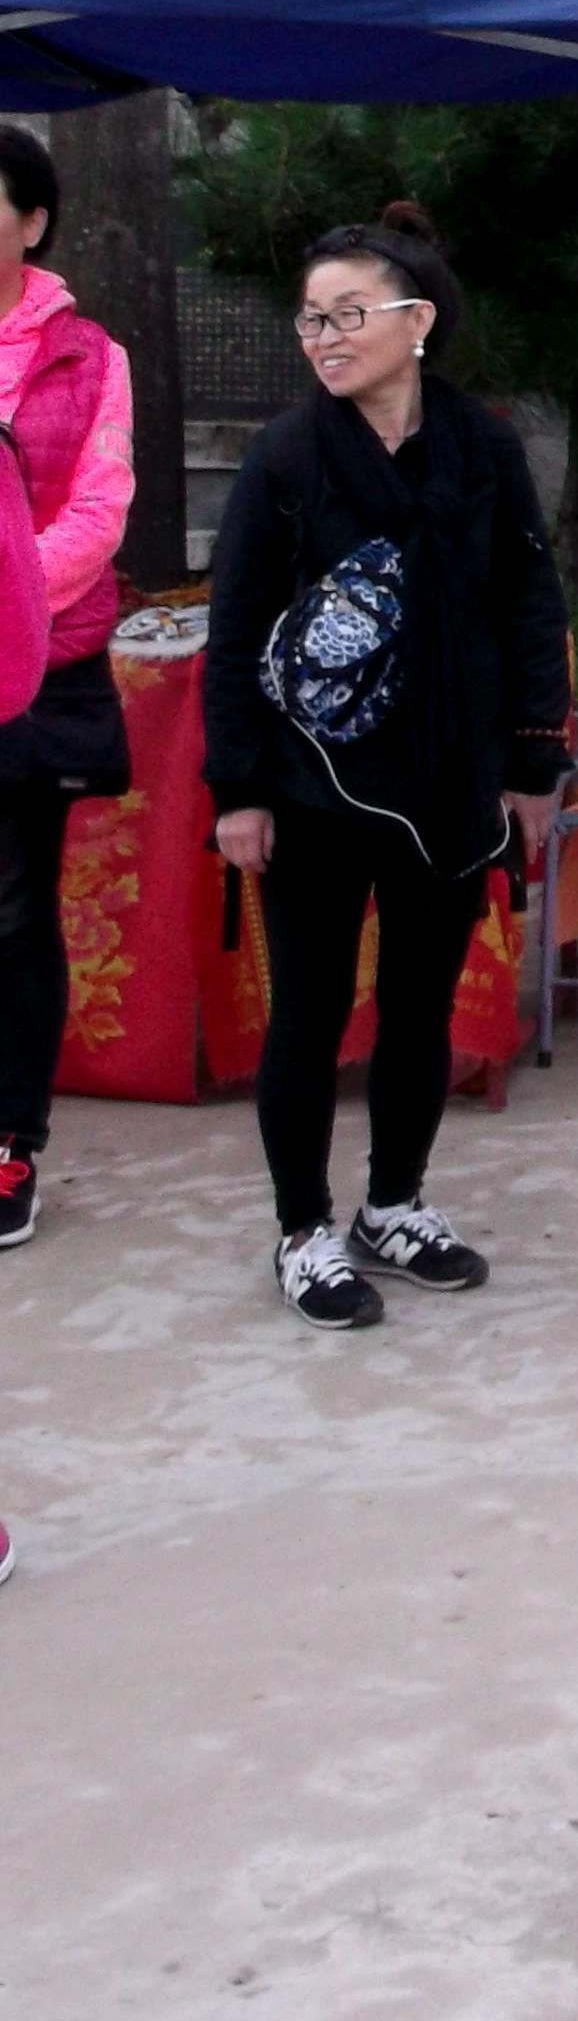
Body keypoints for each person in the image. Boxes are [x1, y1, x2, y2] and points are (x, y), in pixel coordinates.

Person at [204, 206, 569, 1328]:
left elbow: (525, 600)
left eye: (348, 314)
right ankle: (302, 1229)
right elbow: (236, 628)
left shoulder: (482, 444)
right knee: (309, 1013)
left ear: (416, 322)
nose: (324, 336)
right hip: (316, 782)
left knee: (421, 1006)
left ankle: (394, 1205)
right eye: (312, 318)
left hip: (450, 775)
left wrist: (532, 760)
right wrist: (240, 789)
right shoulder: (286, 456)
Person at [0, 126, 135, 1257]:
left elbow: (97, 512)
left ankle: (10, 1143)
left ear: (33, 221)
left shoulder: (88, 355)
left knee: (11, 906)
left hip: (27, 672)